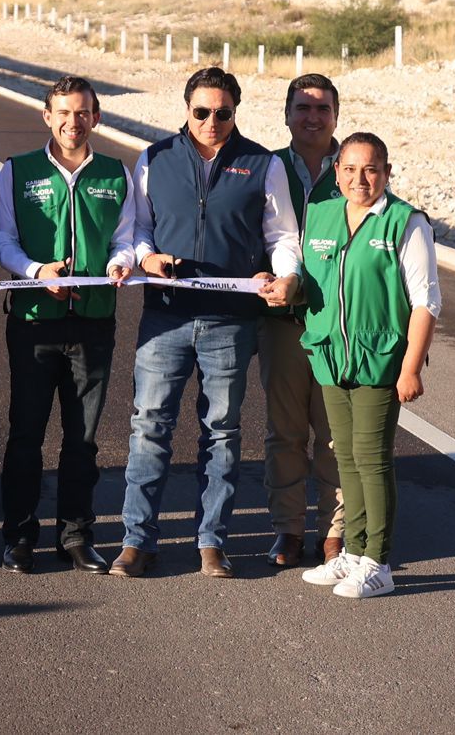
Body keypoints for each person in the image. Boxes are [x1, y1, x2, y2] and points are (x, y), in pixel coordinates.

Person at [113, 66, 302, 579]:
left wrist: (285, 277)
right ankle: (137, 541)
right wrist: (147, 258)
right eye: (201, 112)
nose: (212, 121)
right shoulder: (154, 159)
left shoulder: (262, 164)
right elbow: (138, 230)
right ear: (186, 109)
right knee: (149, 427)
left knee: (221, 432)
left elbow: (283, 236)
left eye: (222, 112)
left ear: (235, 112)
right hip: (165, 318)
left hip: (231, 321)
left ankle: (211, 542)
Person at [0, 76, 136, 575]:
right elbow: (2, 240)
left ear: (96, 117)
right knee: (25, 435)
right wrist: (36, 274)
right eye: (63, 112)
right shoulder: (16, 171)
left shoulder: (118, 173)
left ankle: (75, 536)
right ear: (46, 116)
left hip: (94, 323)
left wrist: (121, 263)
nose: (72, 122)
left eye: (82, 113)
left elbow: (126, 237)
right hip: (34, 322)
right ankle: (18, 536)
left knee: (82, 439)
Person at [294, 133, 439, 599]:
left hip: (380, 362)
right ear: (336, 171)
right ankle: (352, 553)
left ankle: (379, 561)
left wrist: (411, 368)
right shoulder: (320, 215)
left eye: (372, 169)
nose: (361, 179)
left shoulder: (405, 222)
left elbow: (426, 302)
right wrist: (282, 286)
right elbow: (308, 281)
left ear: (387, 172)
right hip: (332, 357)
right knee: (346, 456)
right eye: (351, 169)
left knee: (373, 460)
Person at [260, 74, 346, 568]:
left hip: (336, 325)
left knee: (334, 435)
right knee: (285, 433)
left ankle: (333, 533)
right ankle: (287, 531)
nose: (312, 117)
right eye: (302, 107)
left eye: (322, 108)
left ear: (336, 113)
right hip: (283, 322)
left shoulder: (356, 166)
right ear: (286, 113)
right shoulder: (269, 166)